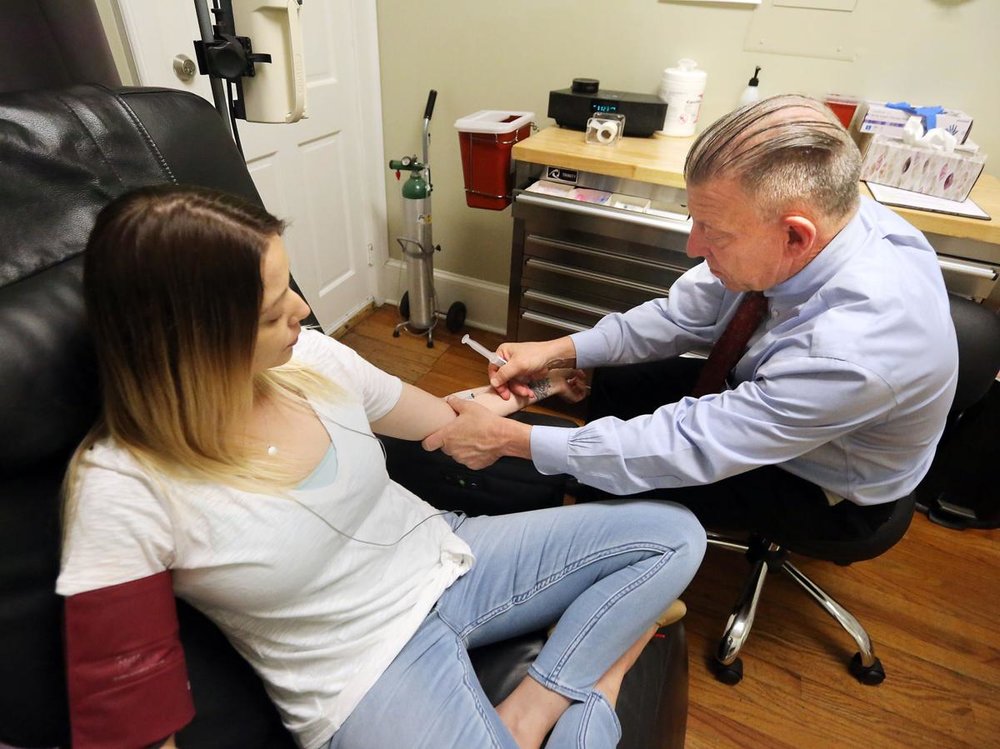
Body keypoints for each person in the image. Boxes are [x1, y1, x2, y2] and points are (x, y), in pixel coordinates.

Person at [56, 185, 706, 749]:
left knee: (674, 535)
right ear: (189, 343)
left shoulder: (310, 360)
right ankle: (601, 679)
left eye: (291, 289)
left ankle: (535, 707)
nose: (304, 312)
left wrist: (531, 387)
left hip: (448, 555)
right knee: (602, 676)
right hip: (360, 668)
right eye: (273, 309)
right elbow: (131, 727)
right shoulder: (122, 489)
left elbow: (449, 421)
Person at [423, 94, 958, 544]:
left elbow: (692, 446)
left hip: (826, 490)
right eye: (694, 220)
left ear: (796, 234)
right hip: (778, 397)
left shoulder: (854, 350)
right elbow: (682, 315)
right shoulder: (835, 215)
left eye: (714, 233)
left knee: (619, 479)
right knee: (610, 383)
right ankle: (577, 427)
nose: (693, 246)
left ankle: (581, 527)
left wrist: (512, 442)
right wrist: (562, 351)